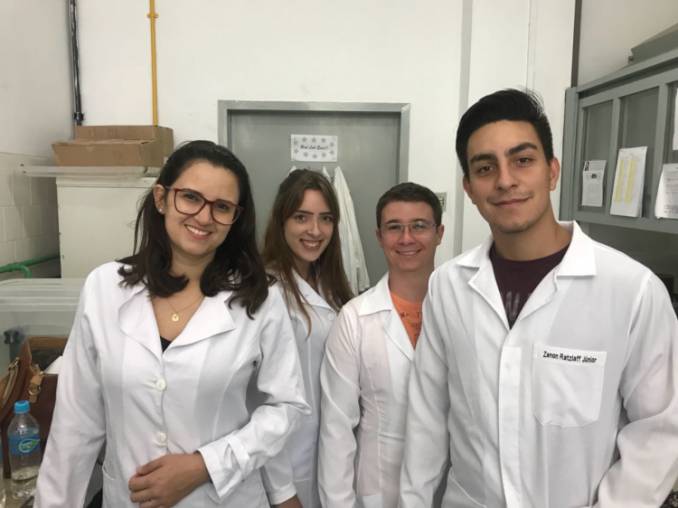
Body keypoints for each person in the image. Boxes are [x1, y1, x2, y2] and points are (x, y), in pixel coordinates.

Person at [400, 89, 678, 507]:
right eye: (485, 168)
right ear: (469, 188)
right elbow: (426, 417)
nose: (505, 180)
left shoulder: (631, 290)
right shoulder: (448, 287)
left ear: (552, 171)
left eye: (523, 160)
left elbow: (659, 433)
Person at [34, 141, 309, 507]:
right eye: (191, 197)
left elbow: (286, 407)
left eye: (222, 207)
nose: (205, 217)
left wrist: (205, 465)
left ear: (236, 218)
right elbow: (76, 421)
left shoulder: (259, 298)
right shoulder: (105, 288)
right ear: (161, 198)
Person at [318, 182, 444, 507]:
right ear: (379, 237)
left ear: (439, 233)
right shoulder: (354, 319)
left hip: (452, 488)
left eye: (419, 226)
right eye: (394, 227)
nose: (406, 238)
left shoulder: (461, 310)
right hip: (379, 489)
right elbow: (336, 429)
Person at [260, 169, 353, 508]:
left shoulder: (332, 287)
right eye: (302, 217)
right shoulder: (267, 292)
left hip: (329, 458)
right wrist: (282, 492)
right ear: (281, 221)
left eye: (325, 218)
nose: (315, 230)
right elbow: (259, 401)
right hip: (287, 465)